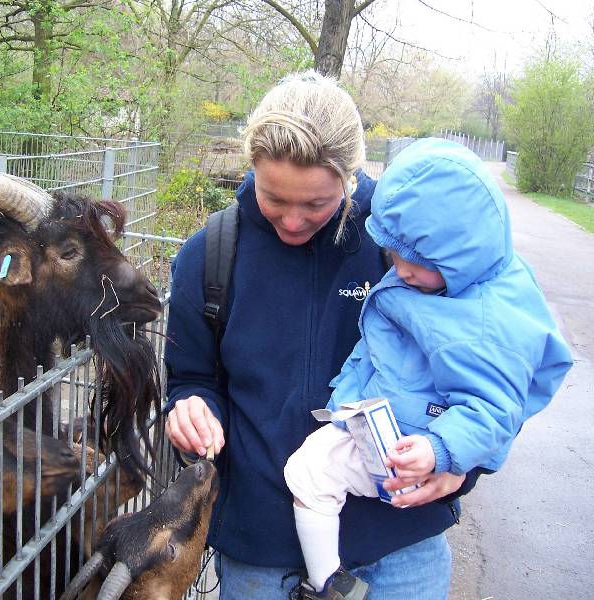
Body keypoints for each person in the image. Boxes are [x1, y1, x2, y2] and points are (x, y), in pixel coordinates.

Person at [164, 71, 484, 600]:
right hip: (263, 552)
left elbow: (491, 358)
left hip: (400, 542)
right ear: (252, 168)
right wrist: (190, 407)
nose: (292, 222)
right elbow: (191, 378)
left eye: (316, 204)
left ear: (350, 177)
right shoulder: (210, 256)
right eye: (274, 198)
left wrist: (461, 465)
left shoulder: (403, 247)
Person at [283, 137, 573, 599]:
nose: (400, 271)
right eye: (394, 256)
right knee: (313, 470)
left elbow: (494, 409)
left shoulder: (485, 325)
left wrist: (441, 450)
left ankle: (325, 583)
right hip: (396, 420)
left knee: (309, 473)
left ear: (459, 256)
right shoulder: (458, 281)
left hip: (409, 442)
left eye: (417, 262)